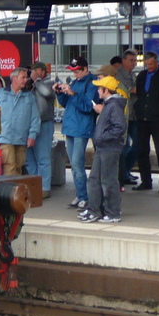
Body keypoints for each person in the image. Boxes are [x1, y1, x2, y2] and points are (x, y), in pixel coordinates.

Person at [80, 75, 128, 223]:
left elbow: (120, 127)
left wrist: (102, 137)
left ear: (106, 90)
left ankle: (113, 212)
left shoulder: (113, 105)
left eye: (99, 89)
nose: (98, 91)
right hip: (103, 147)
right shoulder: (110, 104)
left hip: (109, 147)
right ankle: (94, 209)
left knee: (108, 181)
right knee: (94, 179)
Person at [54, 56, 97, 210]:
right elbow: (66, 103)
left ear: (85, 69)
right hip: (70, 127)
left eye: (77, 71)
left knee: (78, 164)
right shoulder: (75, 82)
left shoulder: (91, 82)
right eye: (72, 71)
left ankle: (84, 197)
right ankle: (80, 195)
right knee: (73, 164)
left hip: (82, 128)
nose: (74, 74)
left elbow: (88, 107)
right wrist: (60, 93)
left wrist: (72, 93)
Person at [133, 51, 159, 192]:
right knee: (142, 150)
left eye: (151, 64)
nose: (148, 66)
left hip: (157, 118)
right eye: (146, 64)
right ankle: (146, 181)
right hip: (142, 118)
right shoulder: (142, 75)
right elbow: (139, 94)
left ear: (157, 62)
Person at [0, 66, 39, 176]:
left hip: (21, 138)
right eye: (23, 77)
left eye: (26, 78)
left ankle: (15, 192)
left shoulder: (29, 96)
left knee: (18, 167)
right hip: (5, 137)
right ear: (14, 78)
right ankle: (10, 192)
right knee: (10, 167)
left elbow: (35, 118)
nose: (26, 80)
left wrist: (32, 135)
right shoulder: (0, 94)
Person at [25, 61, 56, 197]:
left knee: (43, 158)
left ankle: (44, 188)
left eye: (35, 70)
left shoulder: (49, 82)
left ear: (43, 71)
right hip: (30, 124)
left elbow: (47, 92)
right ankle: (34, 185)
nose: (32, 73)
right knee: (29, 158)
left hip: (44, 123)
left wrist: (37, 81)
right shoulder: (31, 85)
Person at [115, 49, 139, 187]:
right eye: (131, 60)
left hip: (134, 114)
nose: (134, 63)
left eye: (135, 60)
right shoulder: (118, 75)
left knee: (138, 145)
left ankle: (126, 170)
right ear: (123, 60)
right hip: (123, 115)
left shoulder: (134, 75)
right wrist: (131, 89)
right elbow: (121, 91)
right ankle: (123, 175)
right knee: (124, 146)